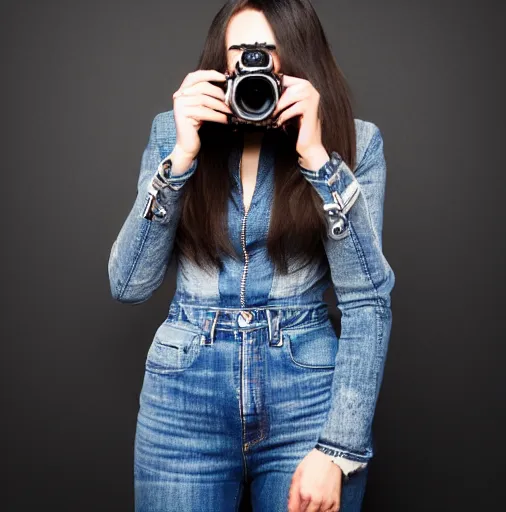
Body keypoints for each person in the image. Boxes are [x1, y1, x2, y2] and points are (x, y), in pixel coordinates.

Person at [107, 1, 395, 511]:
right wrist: (180, 160)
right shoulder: (170, 135)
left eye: (271, 52)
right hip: (182, 402)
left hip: (306, 398)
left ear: (303, 61)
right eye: (240, 52)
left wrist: (339, 448)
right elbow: (128, 284)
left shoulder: (355, 141)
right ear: (219, 65)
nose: (255, 66)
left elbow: (368, 299)